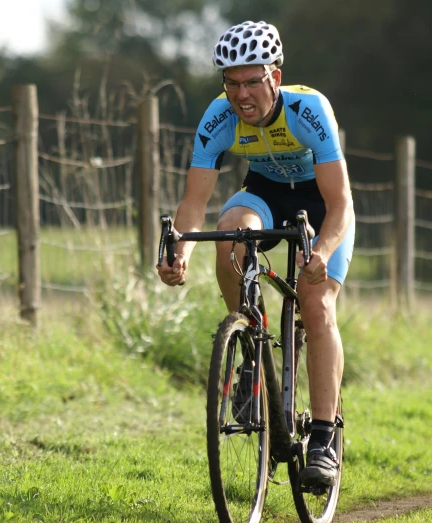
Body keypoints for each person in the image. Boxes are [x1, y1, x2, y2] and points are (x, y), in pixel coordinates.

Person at [157, 20, 355, 488]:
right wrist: (180, 248)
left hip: (320, 204)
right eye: (231, 83)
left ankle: (324, 437)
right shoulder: (217, 117)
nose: (241, 95)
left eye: (252, 82)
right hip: (264, 192)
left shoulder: (310, 111)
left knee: (316, 303)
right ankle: (250, 348)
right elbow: (193, 204)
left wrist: (323, 251)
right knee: (229, 236)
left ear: (275, 79)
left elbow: (342, 202)